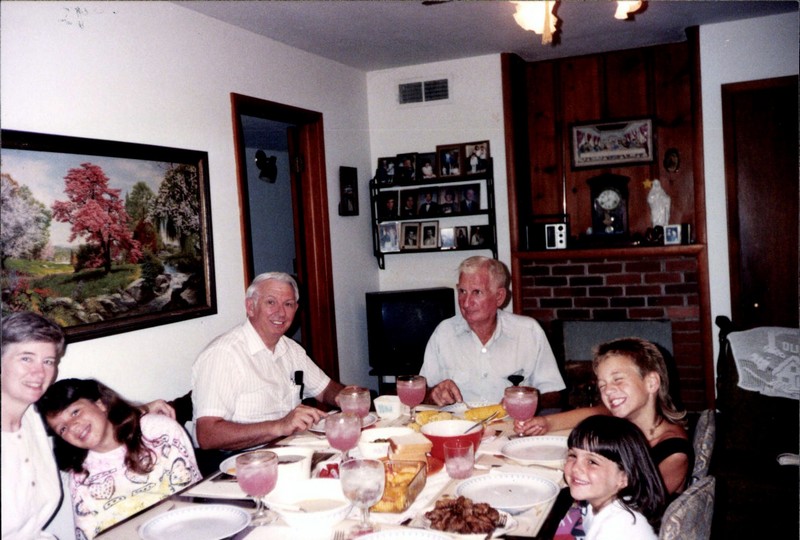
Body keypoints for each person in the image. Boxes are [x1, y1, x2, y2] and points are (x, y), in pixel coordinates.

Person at [1, 311, 174, 539]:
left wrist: (141, 410)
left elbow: (82, 418)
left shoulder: (32, 416)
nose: (39, 372)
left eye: (48, 361)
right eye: (26, 358)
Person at [192, 272, 346, 451]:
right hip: (240, 460)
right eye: (271, 302)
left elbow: (325, 389)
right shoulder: (223, 355)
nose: (281, 312)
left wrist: (349, 397)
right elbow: (207, 435)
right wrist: (280, 426)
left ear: (296, 309)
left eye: (288, 304)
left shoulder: (291, 349)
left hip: (288, 449)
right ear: (250, 307)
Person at [519, 337, 691, 495]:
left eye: (618, 379)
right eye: (602, 385)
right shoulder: (625, 419)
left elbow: (643, 502)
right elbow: (596, 412)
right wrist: (546, 422)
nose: (607, 390)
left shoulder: (674, 451)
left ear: (651, 383)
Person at [37, 378, 202, 539]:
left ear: (100, 404)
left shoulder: (158, 432)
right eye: (63, 429)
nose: (73, 426)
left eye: (75, 412)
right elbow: (89, 533)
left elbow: (190, 503)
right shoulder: (81, 474)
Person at [420, 256, 565, 408]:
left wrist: (526, 399)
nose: (466, 303)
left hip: (511, 421)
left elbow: (554, 394)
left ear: (499, 297)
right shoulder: (444, 333)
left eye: (476, 292)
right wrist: (434, 394)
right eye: (462, 291)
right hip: (456, 422)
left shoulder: (528, 332)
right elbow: (422, 395)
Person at [564, 415, 666, 540]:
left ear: (624, 477)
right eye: (573, 456)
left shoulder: (619, 528)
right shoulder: (604, 503)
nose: (575, 468)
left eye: (592, 462)